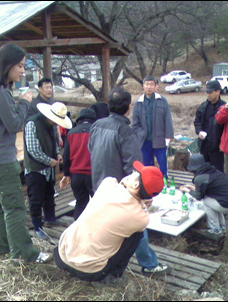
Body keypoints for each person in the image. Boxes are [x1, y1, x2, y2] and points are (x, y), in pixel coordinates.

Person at [0, 43, 51, 264]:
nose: (22, 71)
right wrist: (25, 103)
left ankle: (3, 247)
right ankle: (25, 254)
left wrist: (4, 144)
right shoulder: (0, 93)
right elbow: (14, 124)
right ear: (7, 65)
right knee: (15, 207)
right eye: (19, 66)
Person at [89, 87, 169, 275]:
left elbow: (91, 149)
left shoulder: (96, 125)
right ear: (129, 107)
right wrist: (142, 193)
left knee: (105, 226)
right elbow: (134, 167)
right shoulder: (125, 131)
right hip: (119, 188)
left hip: (98, 183)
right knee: (136, 229)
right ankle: (149, 265)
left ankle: (102, 260)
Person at [53, 161, 164, 286]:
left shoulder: (108, 184)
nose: (131, 173)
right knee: (137, 235)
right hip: (90, 271)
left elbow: (118, 182)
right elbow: (138, 207)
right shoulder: (141, 218)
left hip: (62, 255)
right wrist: (142, 201)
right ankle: (115, 275)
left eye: (135, 173)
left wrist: (128, 186)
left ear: (136, 184)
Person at [23, 102, 73, 240]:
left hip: (48, 168)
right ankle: (37, 226)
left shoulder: (51, 125)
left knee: (49, 194)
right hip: (35, 169)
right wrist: (48, 160)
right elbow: (33, 149)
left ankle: (50, 219)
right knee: (36, 198)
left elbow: (55, 142)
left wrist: (57, 154)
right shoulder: (32, 124)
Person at [180, 154, 228, 240]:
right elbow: (208, 189)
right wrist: (193, 188)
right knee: (213, 201)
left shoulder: (200, 178)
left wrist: (187, 191)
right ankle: (222, 227)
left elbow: (198, 196)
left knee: (205, 200)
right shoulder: (212, 171)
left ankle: (214, 229)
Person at [132, 75, 174, 178]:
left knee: (162, 164)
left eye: (151, 84)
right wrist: (141, 134)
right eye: (147, 84)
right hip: (144, 140)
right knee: (146, 165)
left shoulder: (162, 100)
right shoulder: (138, 102)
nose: (149, 87)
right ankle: (149, 185)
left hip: (159, 139)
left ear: (155, 86)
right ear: (143, 86)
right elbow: (135, 124)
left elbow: (167, 119)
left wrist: (169, 135)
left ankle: (164, 184)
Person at [60, 108, 97, 220]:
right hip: (92, 175)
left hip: (76, 176)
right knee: (97, 205)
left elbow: (66, 156)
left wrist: (66, 174)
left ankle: (77, 231)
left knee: (80, 203)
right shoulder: (96, 131)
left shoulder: (71, 133)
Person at [194, 80, 226, 172]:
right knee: (204, 169)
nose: (208, 95)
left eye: (210, 92)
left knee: (218, 171)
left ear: (218, 92)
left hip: (218, 146)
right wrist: (199, 131)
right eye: (207, 92)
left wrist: (223, 143)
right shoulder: (203, 107)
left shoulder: (224, 108)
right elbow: (197, 122)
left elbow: (227, 128)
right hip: (204, 144)